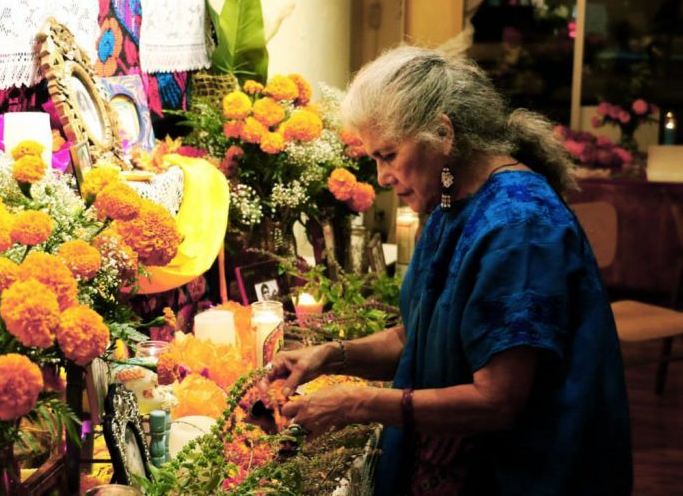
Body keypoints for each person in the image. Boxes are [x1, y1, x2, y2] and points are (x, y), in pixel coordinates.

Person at [266, 45, 632, 496]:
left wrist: (356, 403)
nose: (380, 177)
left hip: (525, 475)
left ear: (442, 133)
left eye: (389, 155)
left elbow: (496, 402)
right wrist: (331, 355)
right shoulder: (449, 203)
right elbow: (416, 338)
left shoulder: (519, 226)